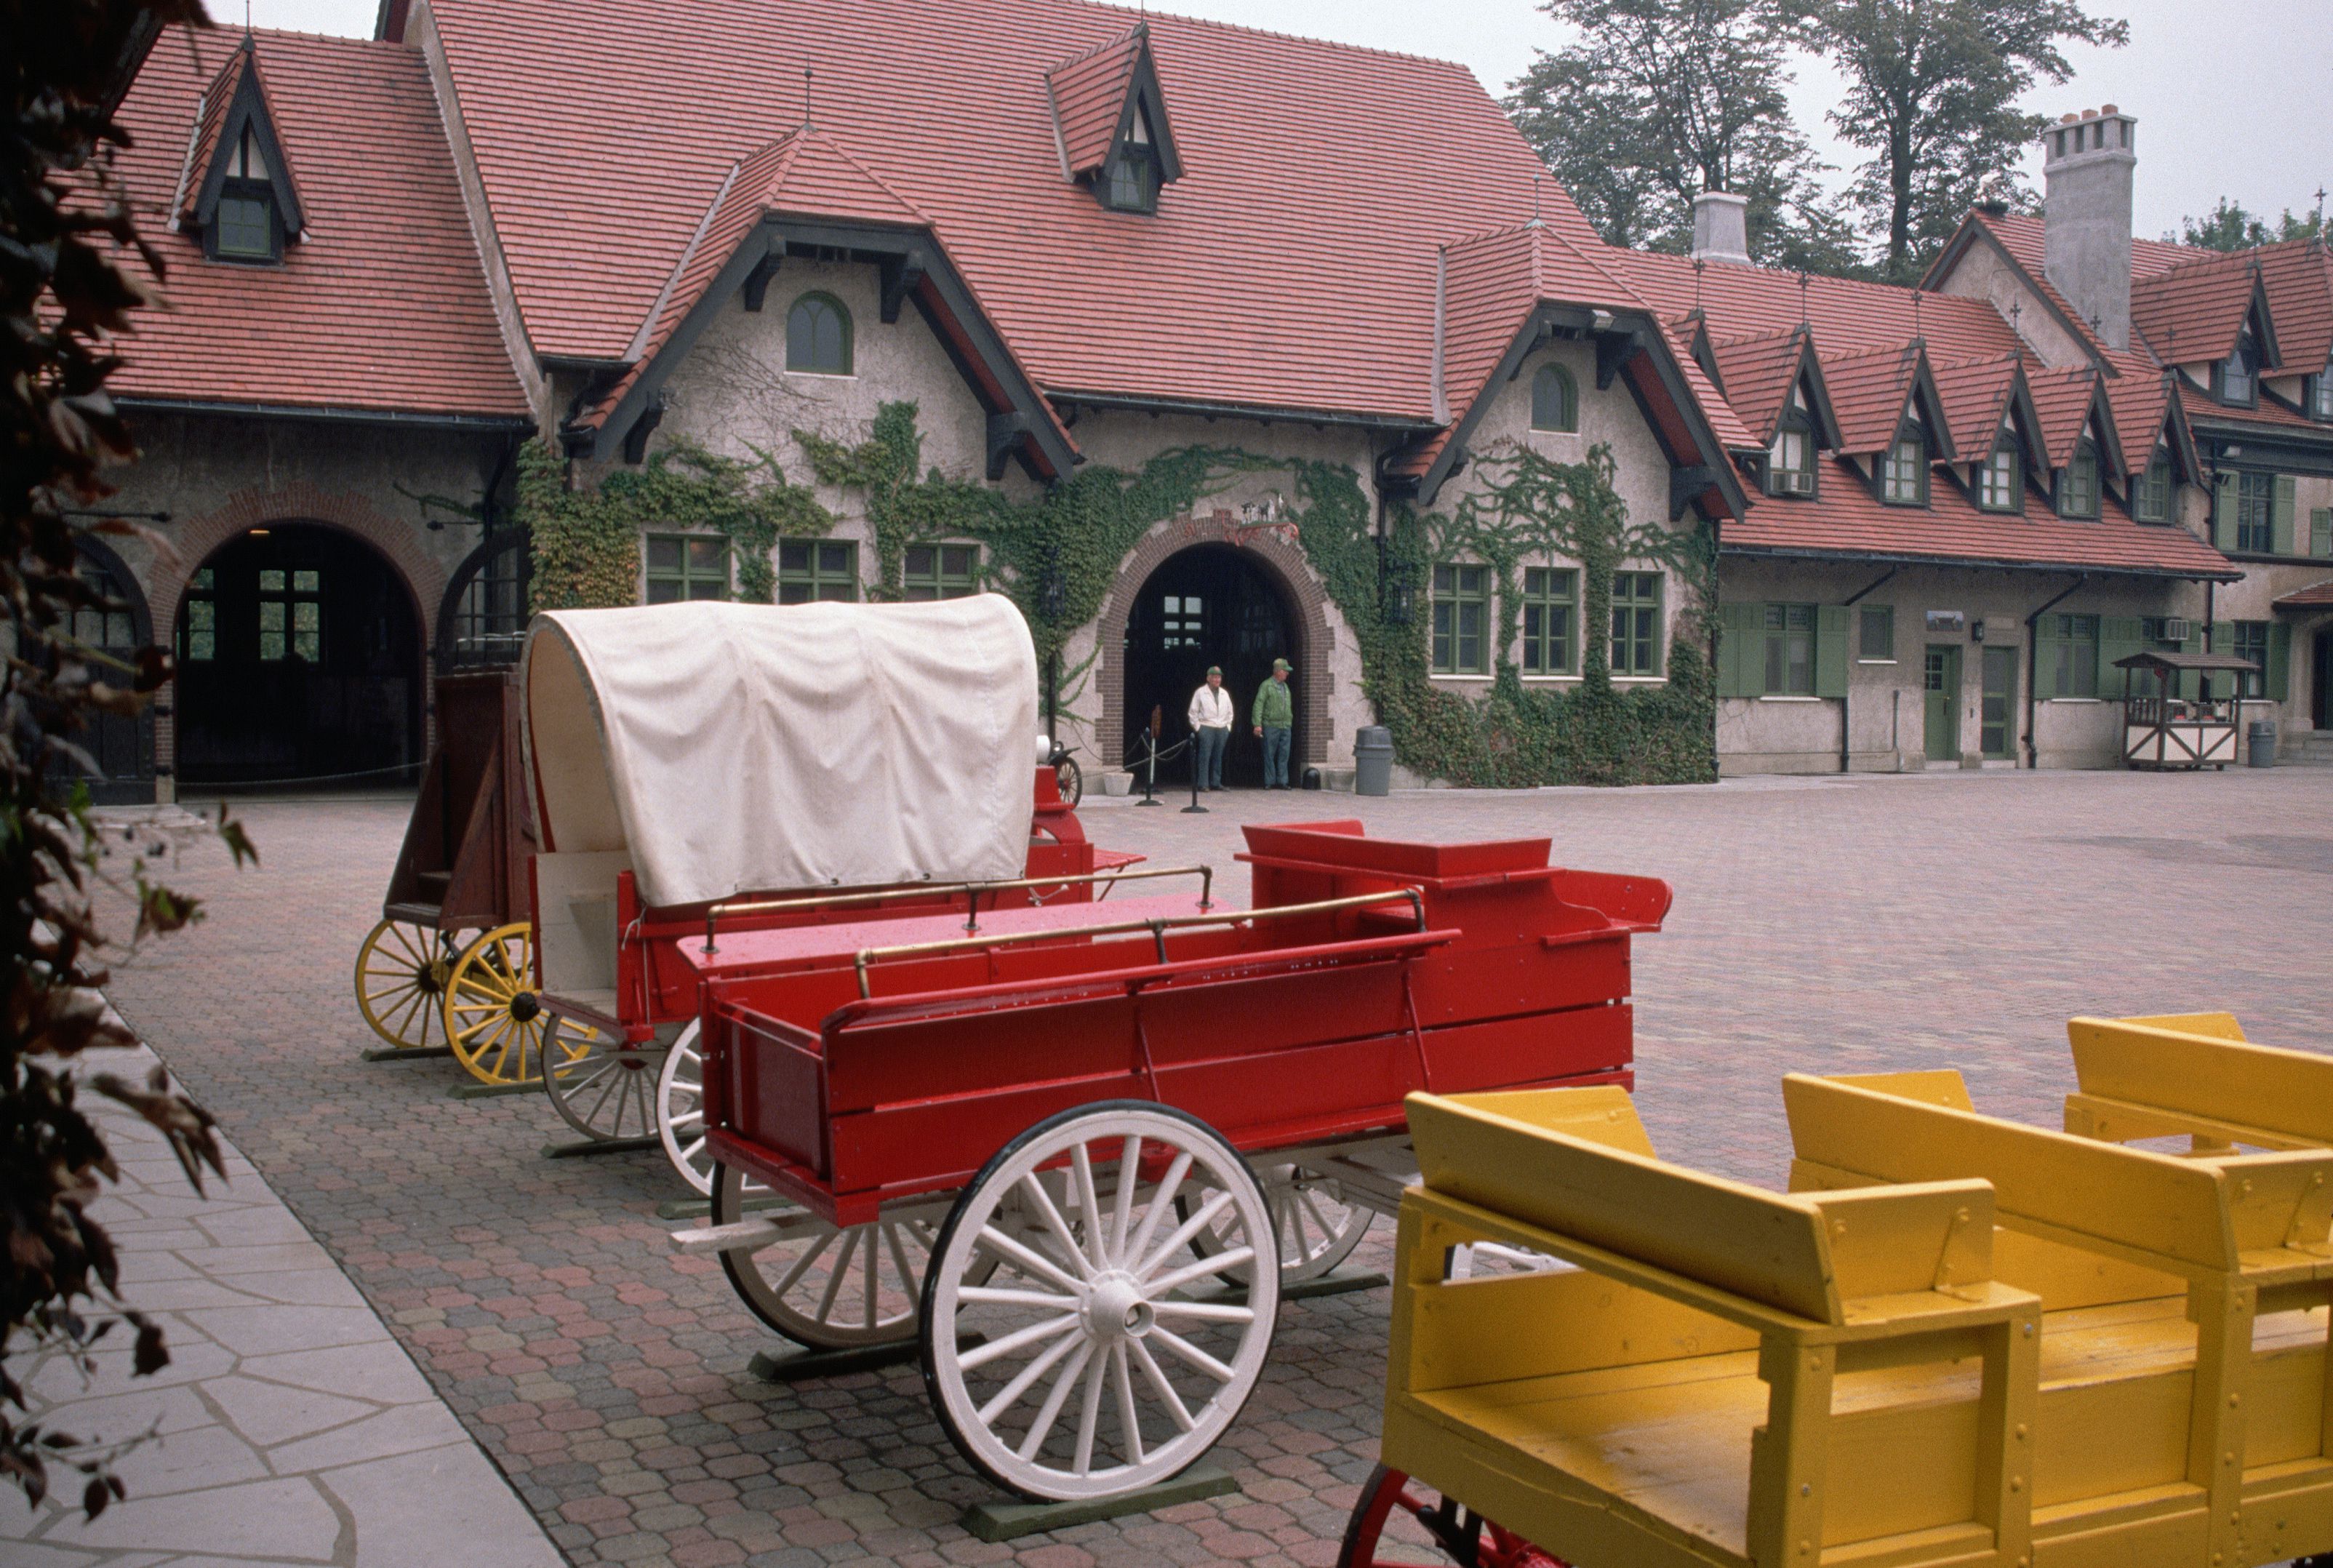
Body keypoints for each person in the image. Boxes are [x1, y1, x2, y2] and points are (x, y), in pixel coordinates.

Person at [1187, 665, 1233, 791]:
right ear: (1208, 678)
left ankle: (1216, 782)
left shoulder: (1224, 693)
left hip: (1222, 727)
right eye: (1214, 677)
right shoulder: (1200, 692)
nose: (1217, 680)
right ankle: (1203, 783)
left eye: (1219, 677)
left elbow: (1230, 712)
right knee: (1205, 756)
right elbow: (1193, 712)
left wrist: (1228, 727)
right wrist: (1199, 728)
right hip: (1206, 726)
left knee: (1218, 756)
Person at [1252, 656, 1294, 789]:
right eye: (1285, 671)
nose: (1287, 673)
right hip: (1271, 725)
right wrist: (1257, 724)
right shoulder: (1266, 686)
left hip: (1285, 725)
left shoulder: (1286, 687)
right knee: (1269, 754)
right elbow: (1259, 704)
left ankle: (1283, 781)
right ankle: (1269, 781)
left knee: (1284, 754)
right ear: (1278, 671)